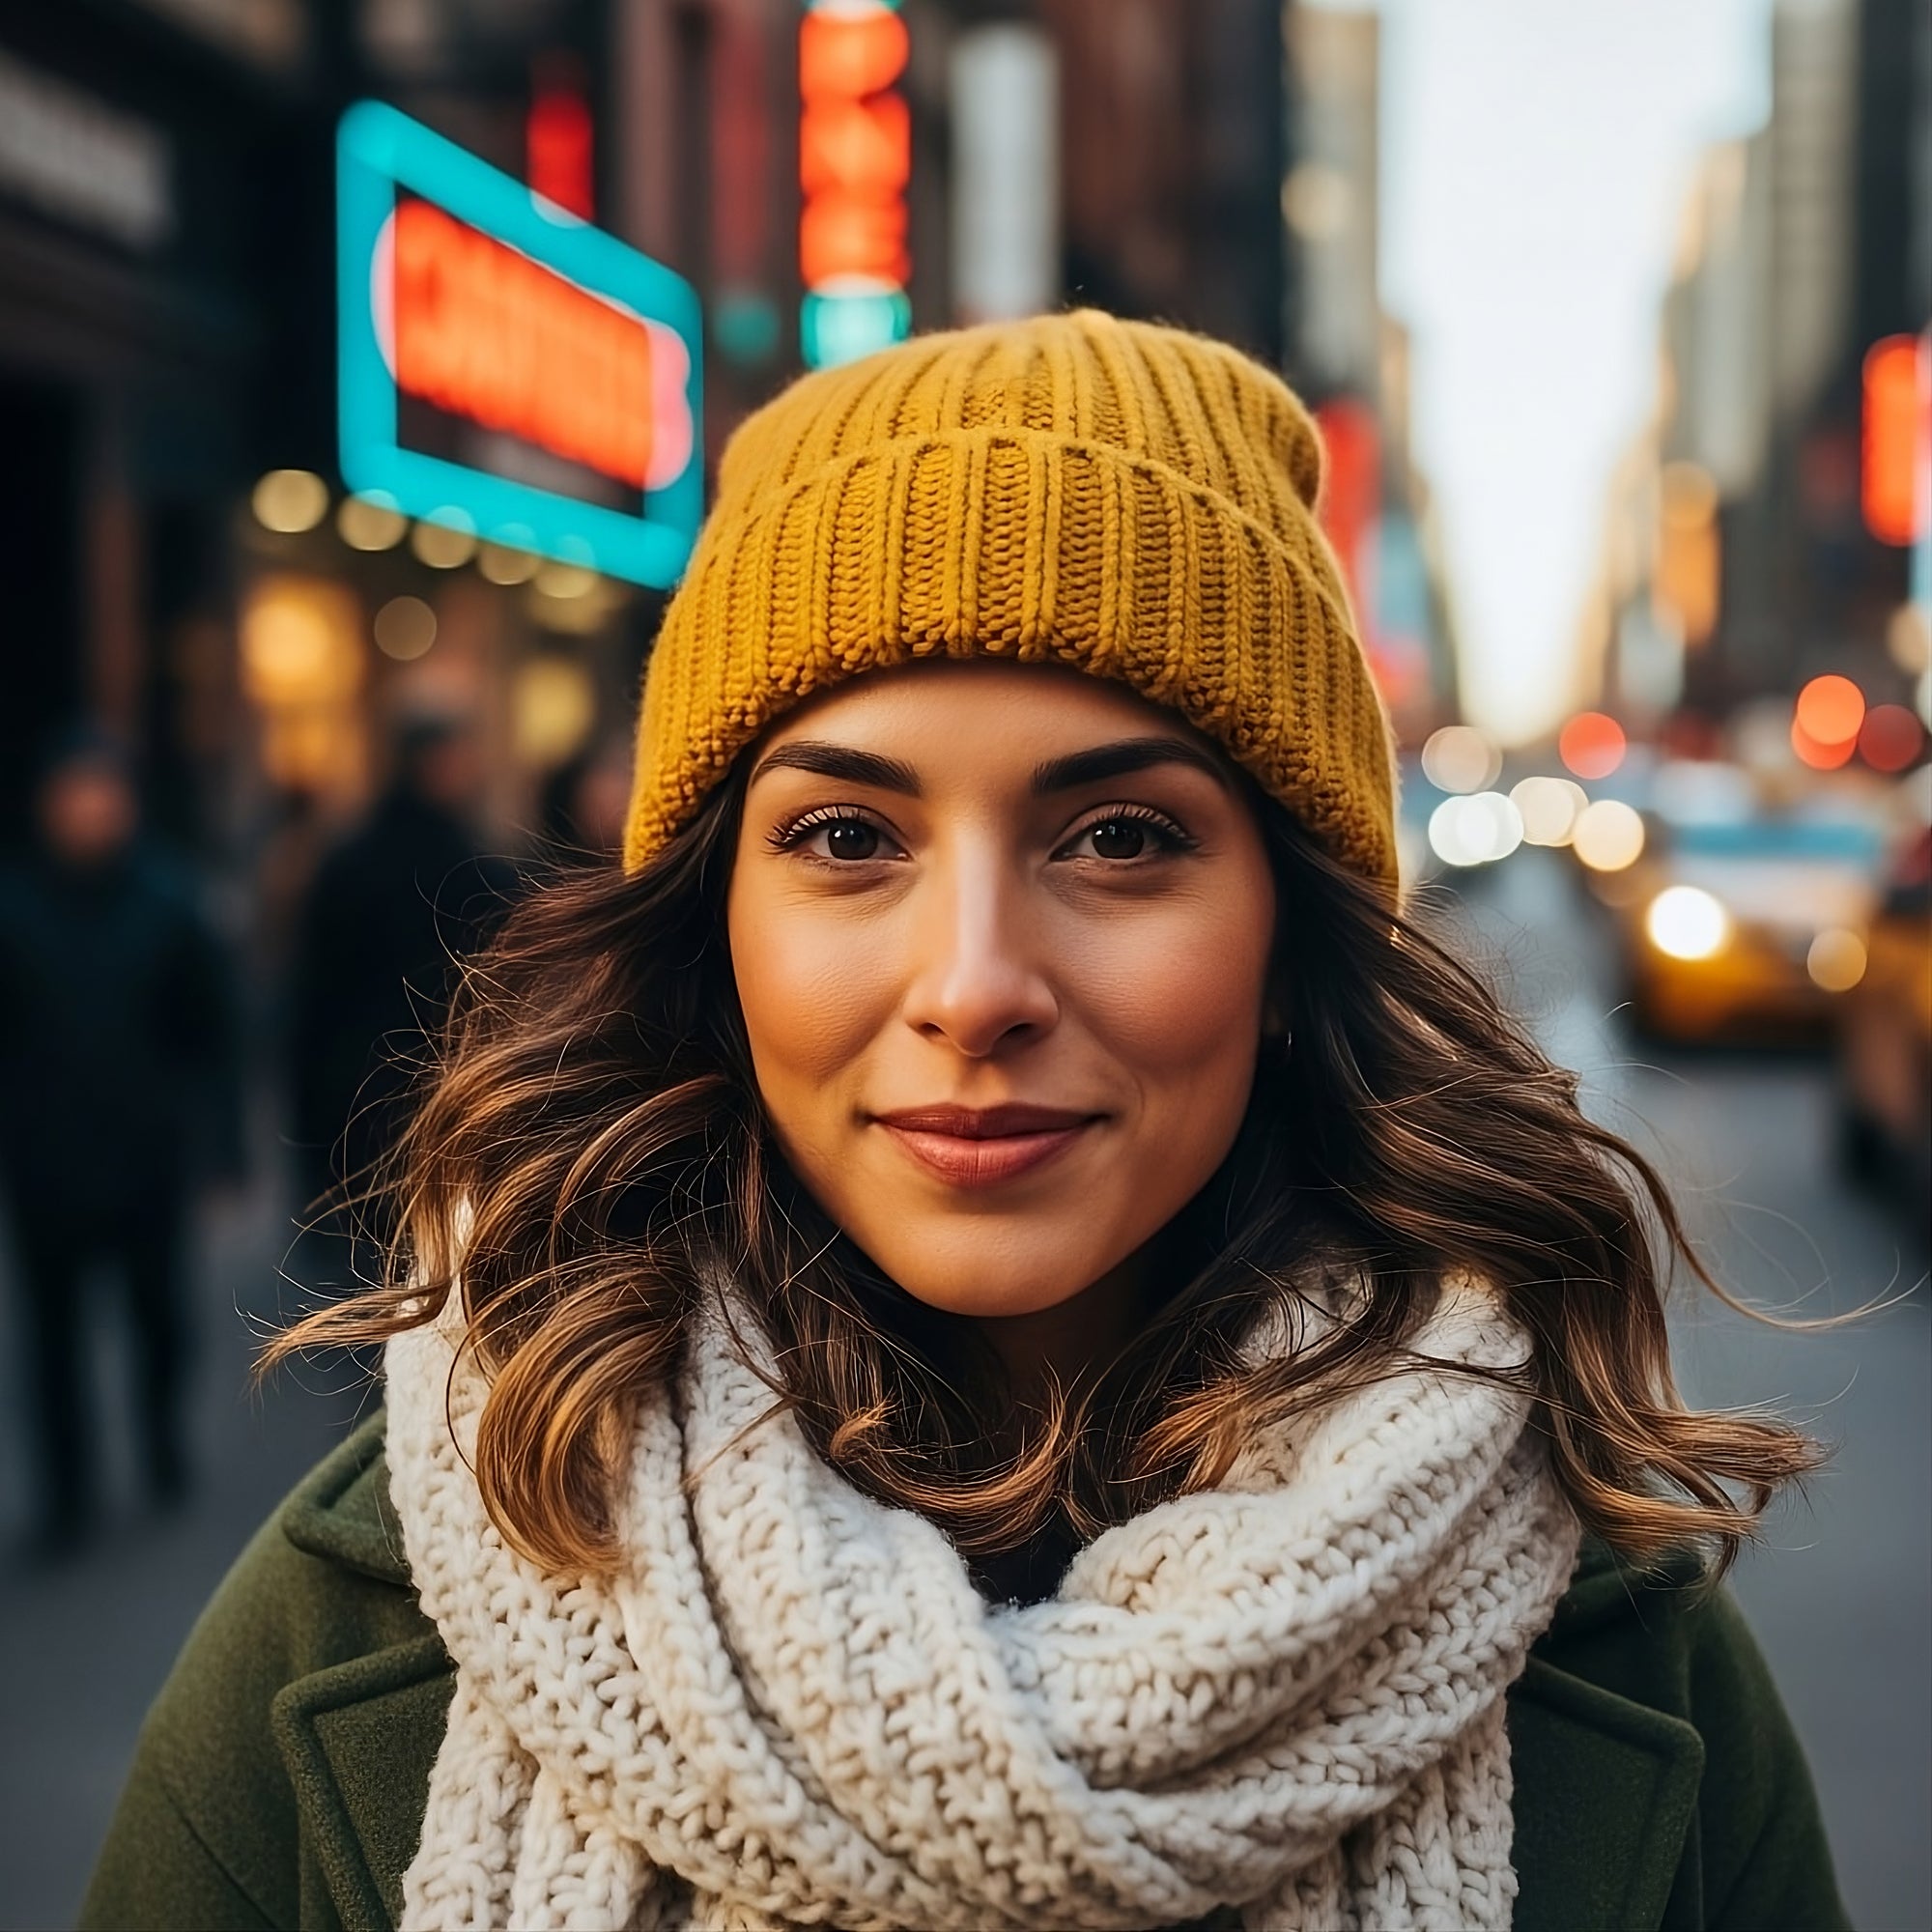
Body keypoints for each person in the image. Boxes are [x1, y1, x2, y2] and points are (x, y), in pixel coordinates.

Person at [83, 314, 1846, 1930]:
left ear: (1290, 943)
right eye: (849, 839)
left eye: (1121, 839)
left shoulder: (1620, 1656)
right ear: (718, 933)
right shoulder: (364, 1624)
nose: (977, 982)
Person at [0, 729, 241, 1558]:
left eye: (101, 796)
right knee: (52, 1335)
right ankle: (67, 1491)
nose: (89, 813)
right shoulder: (16, 905)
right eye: (74, 797)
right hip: (45, 1155)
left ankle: (161, 1445)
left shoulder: (169, 903)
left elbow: (213, 1035)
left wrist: (222, 1149)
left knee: (159, 1316)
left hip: (147, 1149)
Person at [285, 705, 515, 1264]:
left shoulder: (349, 862)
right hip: (422, 1087)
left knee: (382, 1261)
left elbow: (312, 1004)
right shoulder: (474, 868)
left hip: (373, 1089)